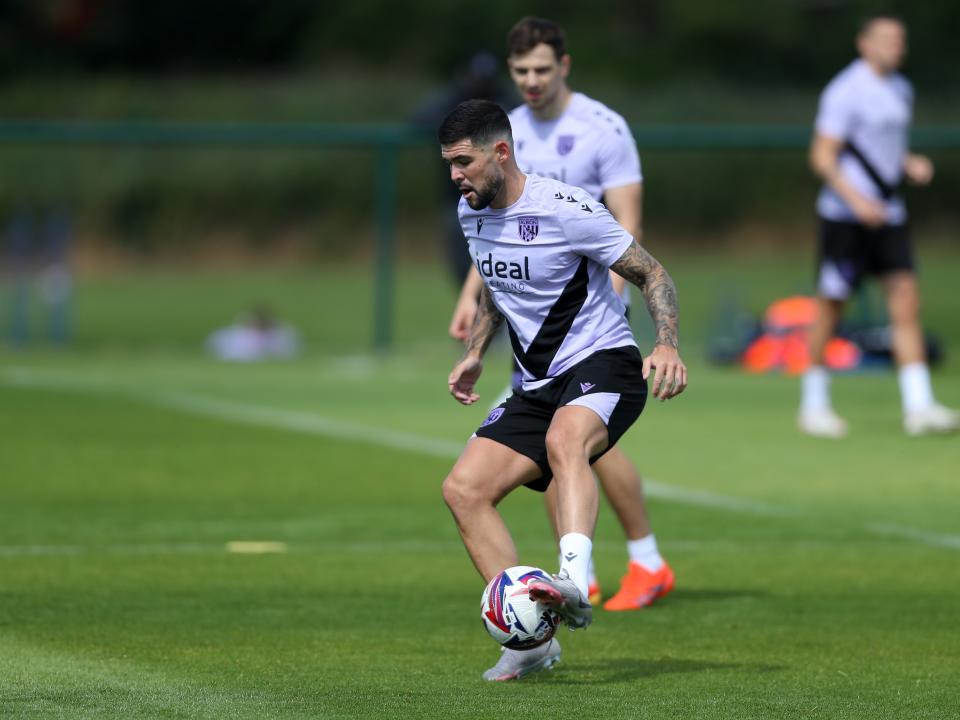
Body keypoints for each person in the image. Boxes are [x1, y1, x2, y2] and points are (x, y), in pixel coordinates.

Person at [438, 99, 687, 680]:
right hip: (536, 381)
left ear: (500, 152)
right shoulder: (470, 212)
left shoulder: (565, 207)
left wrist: (668, 343)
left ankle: (574, 579)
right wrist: (476, 352)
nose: (455, 175)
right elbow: (497, 288)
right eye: (448, 164)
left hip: (607, 362)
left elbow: (652, 272)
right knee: (463, 490)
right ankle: (531, 644)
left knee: (564, 438)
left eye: (463, 161)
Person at [798, 14, 959, 438]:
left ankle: (919, 404)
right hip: (845, 218)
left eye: (900, 40)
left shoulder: (902, 89)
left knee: (906, 300)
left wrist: (910, 163)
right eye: (887, 39)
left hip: (890, 216)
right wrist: (858, 201)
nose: (896, 47)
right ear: (864, 44)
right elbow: (823, 156)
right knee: (832, 305)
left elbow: (882, 150)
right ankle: (814, 404)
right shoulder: (845, 91)